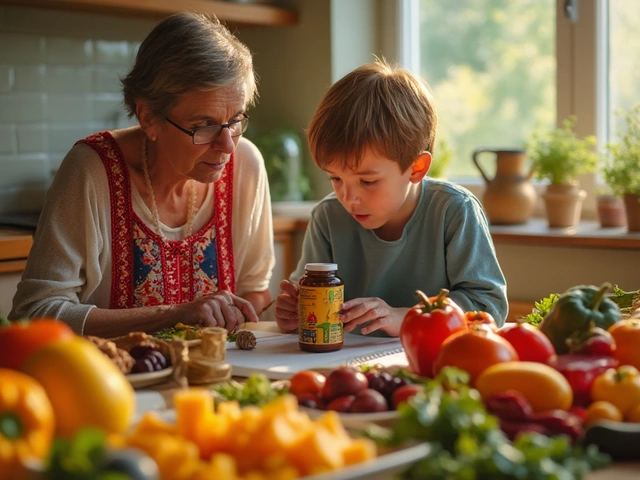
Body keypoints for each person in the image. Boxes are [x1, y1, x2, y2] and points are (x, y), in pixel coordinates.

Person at [9, 12, 275, 338]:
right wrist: (175, 315)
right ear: (148, 117)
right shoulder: (91, 171)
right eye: (203, 126)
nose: (227, 146)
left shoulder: (245, 164)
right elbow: (34, 313)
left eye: (234, 121)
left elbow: (255, 289)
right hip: (113, 381)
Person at [275, 60, 508, 337]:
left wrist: (406, 317)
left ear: (416, 168)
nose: (349, 198)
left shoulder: (455, 210)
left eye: (368, 181)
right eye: (335, 178)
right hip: (347, 368)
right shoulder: (327, 216)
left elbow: (489, 306)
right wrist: (295, 314)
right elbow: (307, 302)